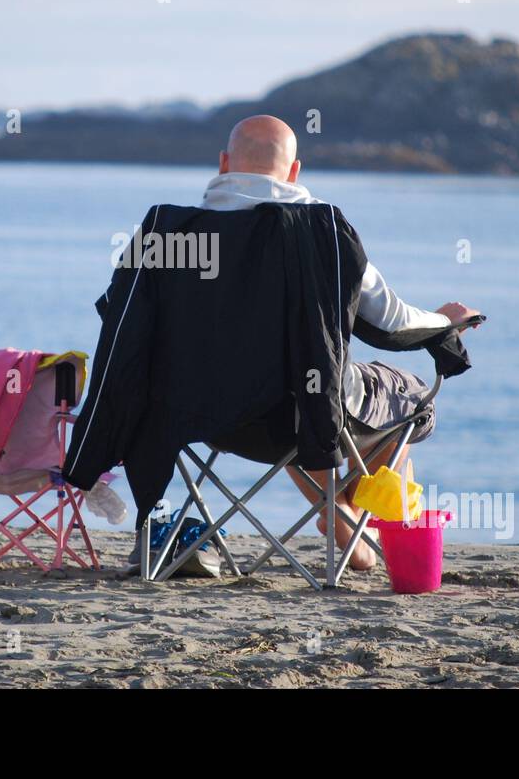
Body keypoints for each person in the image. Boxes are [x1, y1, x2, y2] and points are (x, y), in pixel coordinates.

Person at [200, 115, 481, 570]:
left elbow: (122, 319)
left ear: (224, 164)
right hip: (300, 411)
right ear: (294, 173)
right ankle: (348, 514)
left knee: (294, 392)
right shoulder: (323, 232)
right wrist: (444, 323)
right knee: (406, 397)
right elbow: (392, 324)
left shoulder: (169, 235)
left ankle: (336, 508)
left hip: (205, 415)